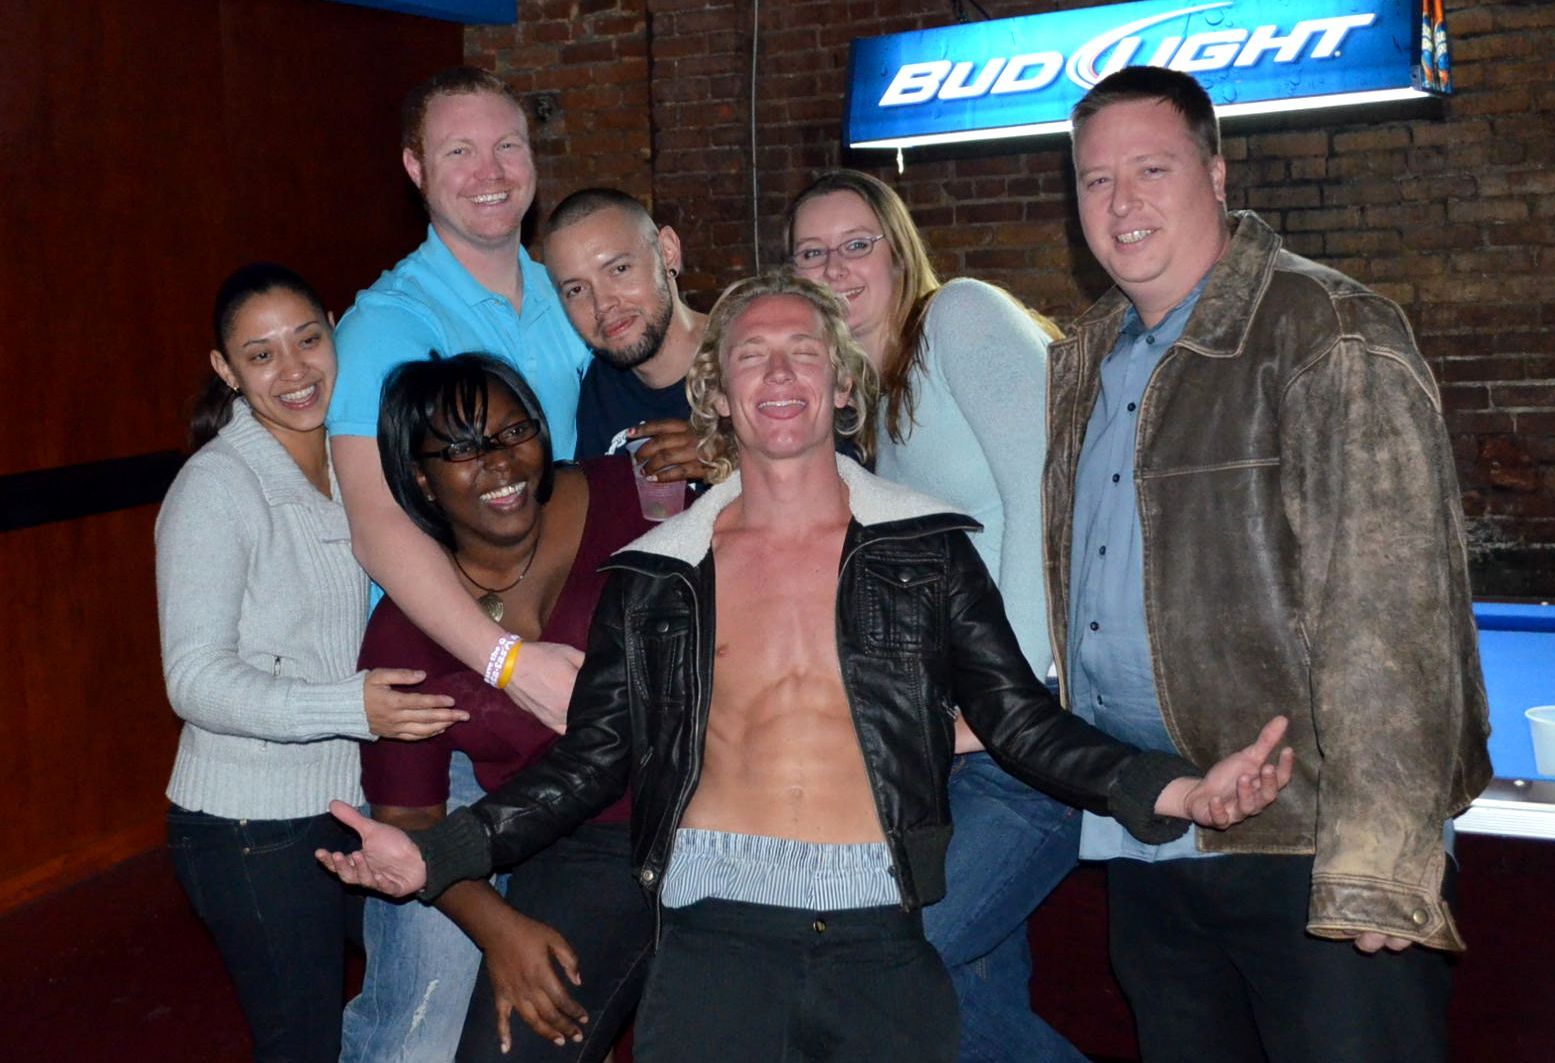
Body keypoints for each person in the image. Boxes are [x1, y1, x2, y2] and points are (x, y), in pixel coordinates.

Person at [317, 271, 1295, 1063]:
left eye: (804, 352)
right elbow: (592, 757)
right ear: (716, 392)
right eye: (752, 354)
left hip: (877, 931)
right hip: (711, 935)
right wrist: (442, 854)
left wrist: (1171, 789)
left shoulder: (923, 550)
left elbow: (1017, 718)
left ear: (841, 384)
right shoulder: (656, 573)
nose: (779, 373)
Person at [1050, 66, 1492, 1062]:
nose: (1119, 202)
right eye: (1094, 179)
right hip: (1152, 830)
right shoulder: (1087, 357)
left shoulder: (1325, 328)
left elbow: (1392, 616)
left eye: (1150, 169)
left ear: (1215, 175)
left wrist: (1377, 859)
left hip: (1307, 841)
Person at [787, 169, 1084, 1063]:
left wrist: (1005, 705)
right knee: (954, 1021)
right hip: (949, 750)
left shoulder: (957, 315)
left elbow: (1050, 494)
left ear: (898, 251)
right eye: (810, 253)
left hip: (1024, 744)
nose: (834, 267)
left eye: (856, 244)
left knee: (877, 970)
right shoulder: (873, 408)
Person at [156, 263, 463, 1062]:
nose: (293, 371)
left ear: (334, 329)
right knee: (302, 1042)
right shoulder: (216, 487)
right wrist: (351, 705)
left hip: (350, 802)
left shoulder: (352, 459)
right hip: (247, 826)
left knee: (430, 989)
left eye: (306, 340)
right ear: (226, 369)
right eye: (260, 355)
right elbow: (193, 678)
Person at [348, 353, 653, 1062]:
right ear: (420, 478)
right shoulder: (406, 625)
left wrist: (716, 449)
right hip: (574, 846)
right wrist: (499, 929)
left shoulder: (633, 491)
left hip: (711, 815)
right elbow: (410, 817)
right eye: (459, 449)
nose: (499, 461)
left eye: (514, 431)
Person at [328, 65, 591, 739]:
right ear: (415, 169)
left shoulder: (572, 295)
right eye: (459, 151)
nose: (490, 172)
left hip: (566, 637)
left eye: (507, 145)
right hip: (454, 677)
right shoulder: (385, 325)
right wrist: (509, 663)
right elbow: (377, 523)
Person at [541, 187, 708, 481]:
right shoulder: (589, 393)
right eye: (576, 290)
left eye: (619, 269)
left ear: (667, 251)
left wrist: (735, 460)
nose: (602, 304)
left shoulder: (752, 363)